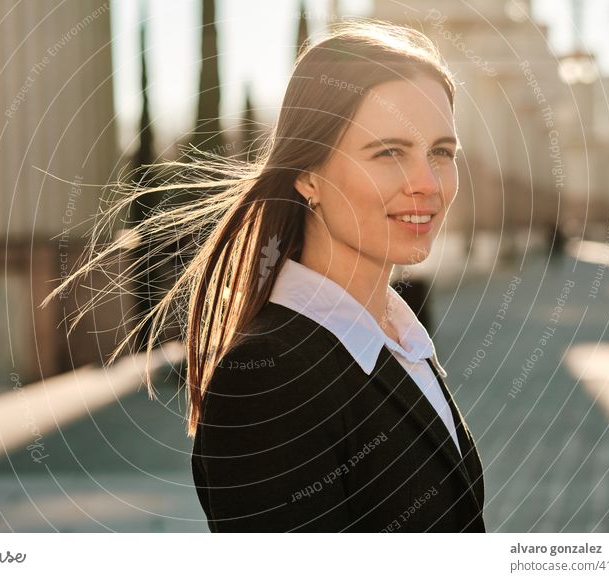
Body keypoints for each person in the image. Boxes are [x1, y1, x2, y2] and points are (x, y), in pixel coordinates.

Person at [43, 19, 485, 533]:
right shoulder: (267, 377)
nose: (427, 184)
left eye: (441, 152)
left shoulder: (400, 341)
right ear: (308, 176)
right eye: (388, 153)